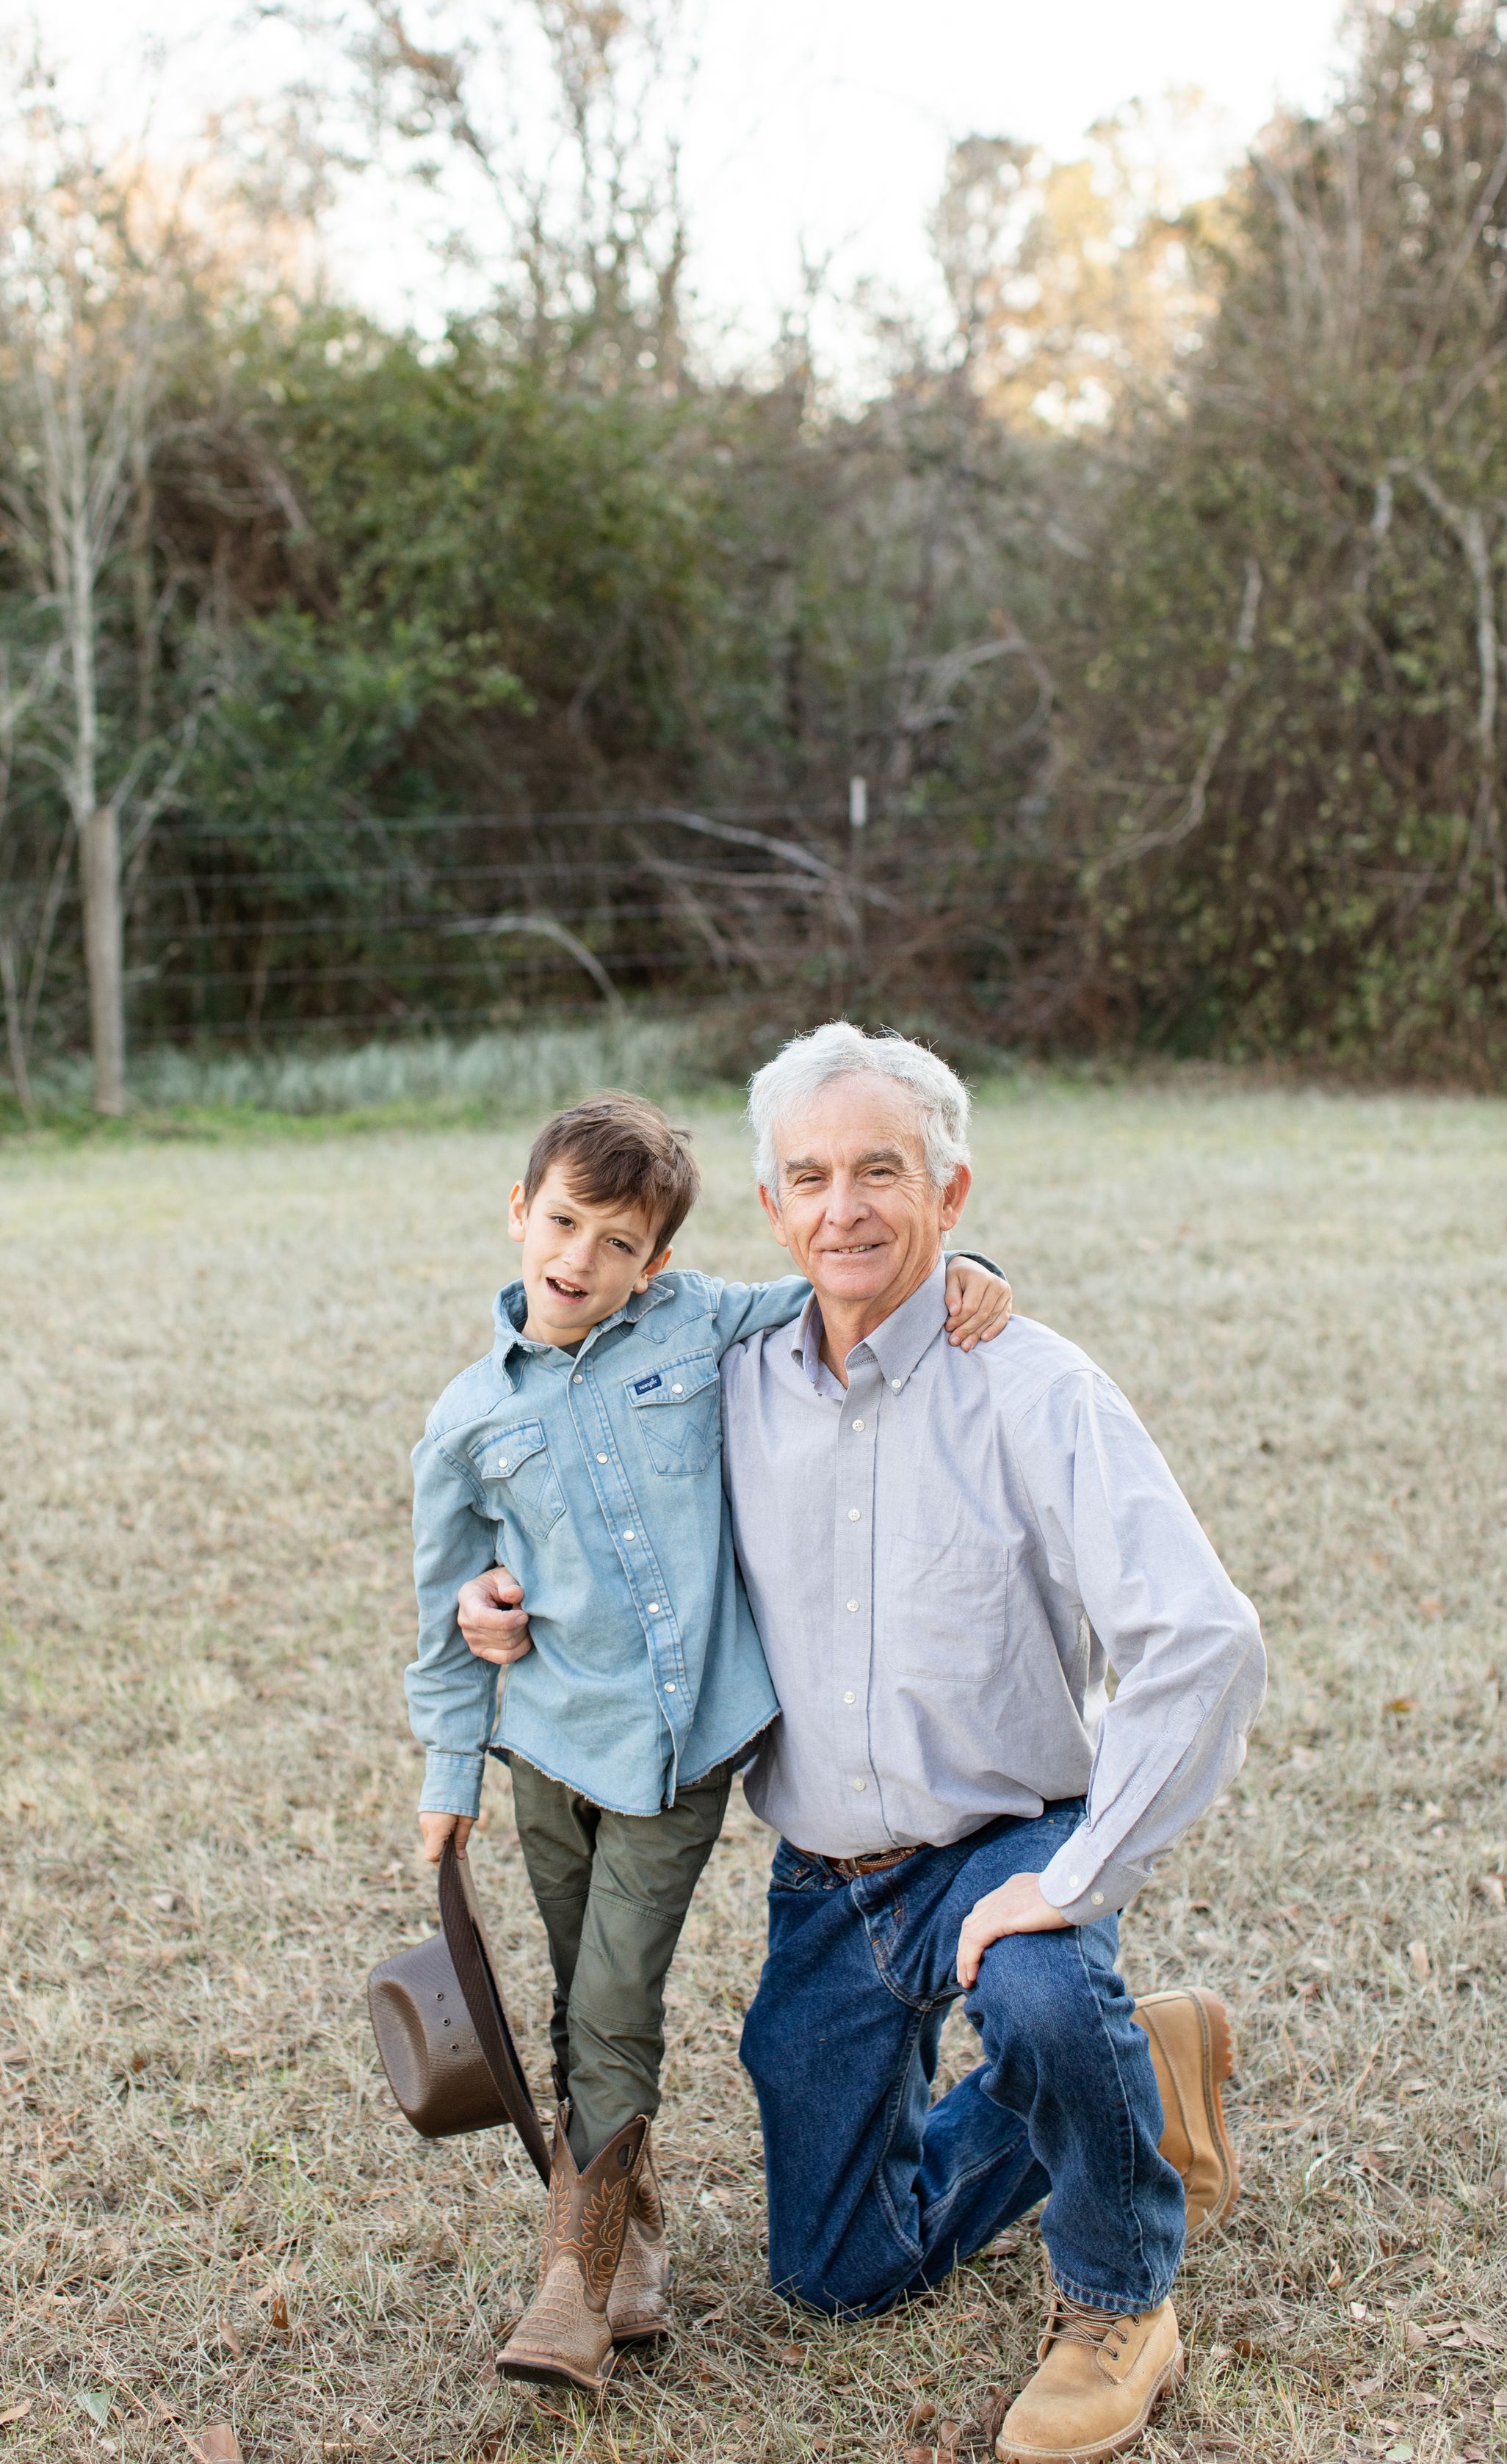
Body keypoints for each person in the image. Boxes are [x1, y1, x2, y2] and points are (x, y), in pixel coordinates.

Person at [457, 1027, 1266, 2463]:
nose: (845, 1209)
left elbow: (1201, 1639)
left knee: (1035, 1988)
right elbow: (571, 1442)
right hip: (825, 1879)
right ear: (772, 1209)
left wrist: (1077, 1875)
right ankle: (1136, 2068)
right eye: (812, 1178)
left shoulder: (1030, 1384)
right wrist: (492, 1590)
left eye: (882, 1172)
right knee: (836, 2273)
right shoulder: (719, 1376)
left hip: (1005, 1837)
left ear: (950, 1192)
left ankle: (1117, 2294)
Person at [405, 1090, 1012, 2396]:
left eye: (618, 1242)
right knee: (579, 1998)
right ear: (519, 1213)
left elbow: (841, 1283)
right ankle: (630, 2237)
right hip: (546, 1750)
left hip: (678, 1754)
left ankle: (571, 2285)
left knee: (614, 2001)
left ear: (659, 1260)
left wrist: (960, 1266)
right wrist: (449, 1771)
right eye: (563, 1222)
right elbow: (446, 1608)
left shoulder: (698, 1322)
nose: (581, 1259)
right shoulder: (463, 1420)